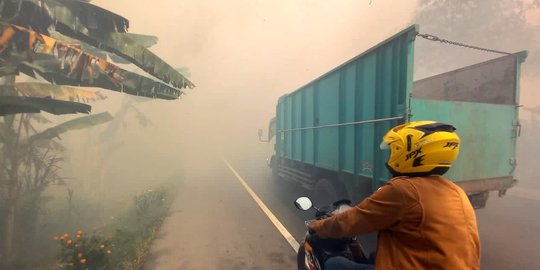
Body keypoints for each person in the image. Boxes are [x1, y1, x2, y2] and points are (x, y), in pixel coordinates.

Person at [308, 121, 480, 270]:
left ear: (410, 153)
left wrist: (319, 226)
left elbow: (353, 220)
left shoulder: (403, 190)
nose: (390, 156)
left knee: (334, 264)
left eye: (394, 150)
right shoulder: (455, 191)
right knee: (377, 254)